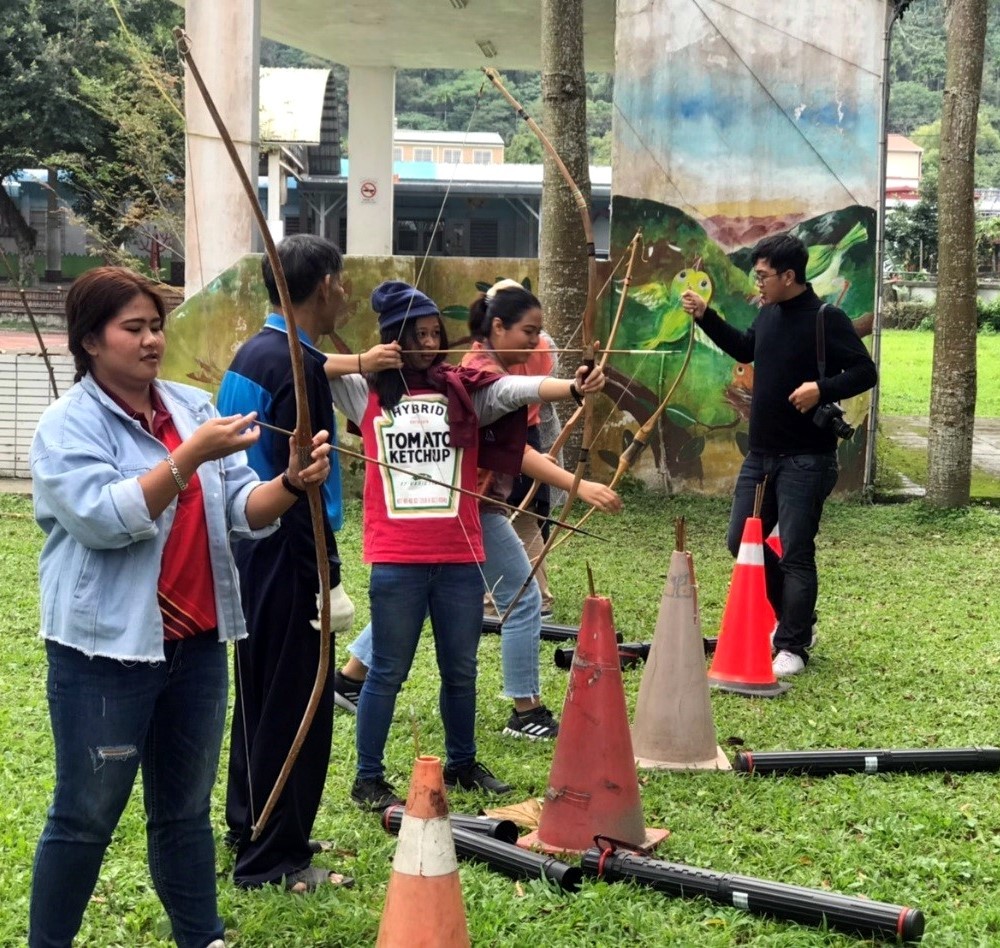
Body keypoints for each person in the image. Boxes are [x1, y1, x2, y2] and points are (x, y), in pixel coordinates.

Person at [28, 266, 333, 948]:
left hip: (194, 644)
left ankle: (203, 938)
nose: (150, 341)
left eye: (156, 326)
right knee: (84, 816)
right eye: (131, 328)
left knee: (185, 813)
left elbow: (237, 512)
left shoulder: (191, 408)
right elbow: (106, 519)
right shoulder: (66, 425)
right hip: (105, 654)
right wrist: (188, 457)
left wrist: (288, 482)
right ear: (89, 340)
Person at [327, 280, 608, 811]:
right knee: (387, 670)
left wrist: (570, 388)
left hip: (459, 554)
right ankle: (368, 776)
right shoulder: (364, 390)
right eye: (418, 335)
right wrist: (366, 360)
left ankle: (462, 761)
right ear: (394, 338)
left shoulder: (462, 389)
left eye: (437, 334)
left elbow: (516, 392)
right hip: (397, 557)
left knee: (460, 670)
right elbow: (306, 363)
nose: (431, 344)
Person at [218, 235, 395, 892]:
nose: (346, 292)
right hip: (288, 556)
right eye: (343, 281)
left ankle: (253, 822)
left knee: (263, 696)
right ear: (324, 284)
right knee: (297, 703)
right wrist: (327, 577)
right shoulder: (293, 366)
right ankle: (274, 860)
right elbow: (300, 491)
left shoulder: (261, 353)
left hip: (249, 550)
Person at [681, 233, 877, 677]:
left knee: (796, 551)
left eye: (764, 275)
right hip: (761, 456)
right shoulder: (768, 314)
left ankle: (793, 644)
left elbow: (867, 371)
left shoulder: (828, 318)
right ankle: (798, 619)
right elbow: (746, 349)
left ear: (790, 276)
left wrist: (820, 389)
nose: (759, 283)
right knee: (740, 540)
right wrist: (706, 316)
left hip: (807, 458)